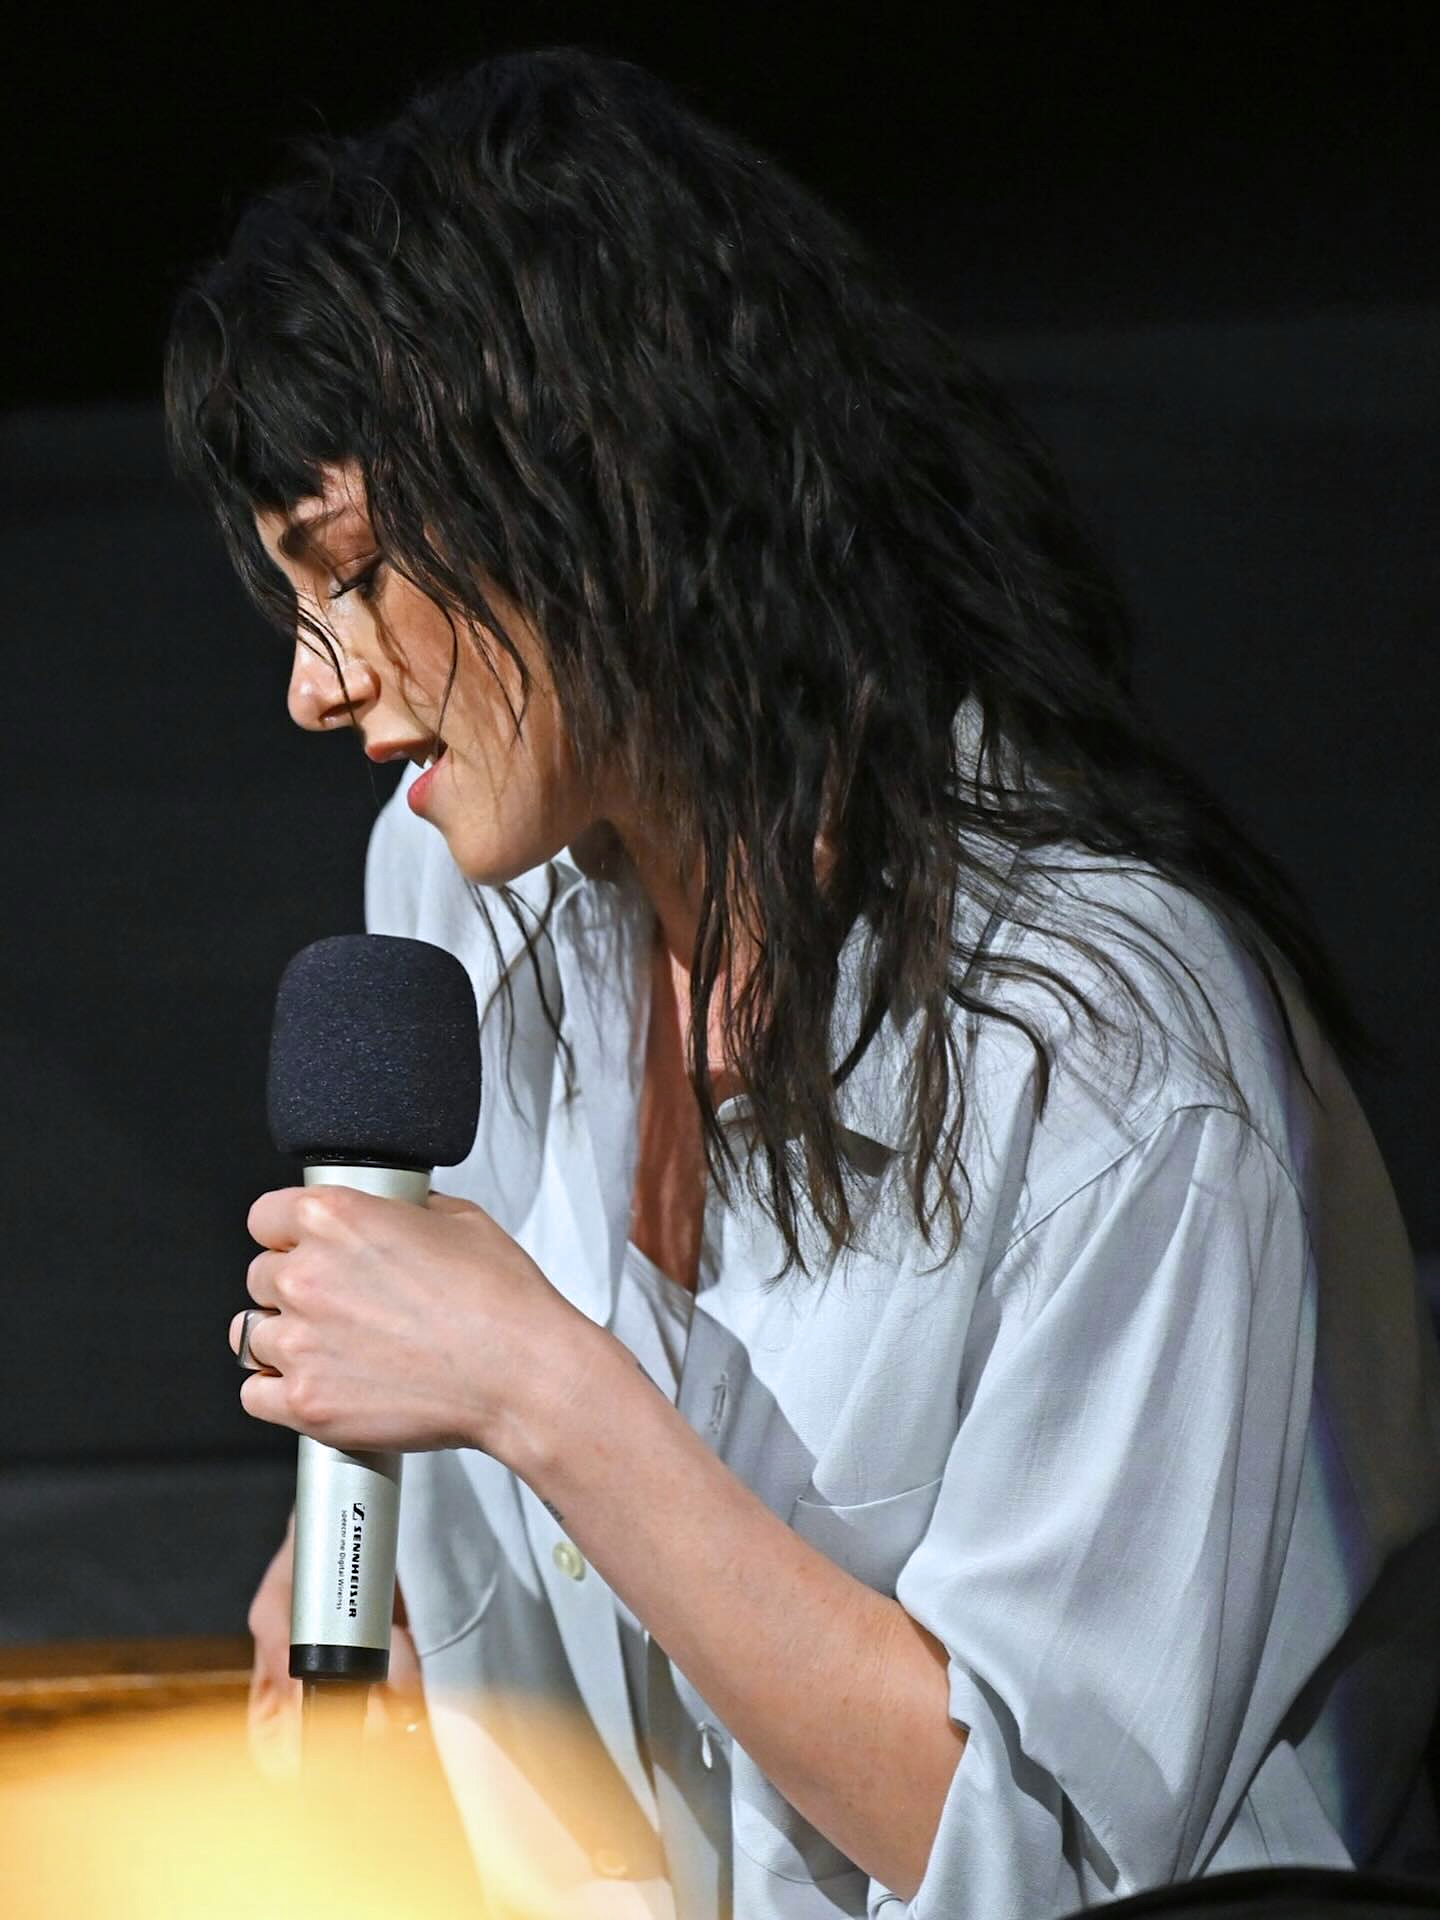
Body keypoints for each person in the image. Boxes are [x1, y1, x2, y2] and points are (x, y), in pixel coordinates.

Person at [164, 47, 1440, 1920]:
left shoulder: (1106, 1059)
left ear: (590, 484)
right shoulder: (442, 884)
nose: (311, 682)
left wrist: (542, 1392)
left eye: (347, 573)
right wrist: (359, 1559)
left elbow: (1039, 1861)